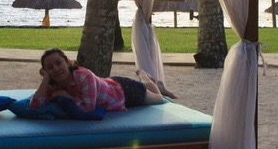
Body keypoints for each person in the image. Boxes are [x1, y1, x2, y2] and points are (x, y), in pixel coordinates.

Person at [29, 47, 177, 113]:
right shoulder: (53, 82)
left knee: (159, 98)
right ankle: (145, 81)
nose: (55, 69)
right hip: (108, 84)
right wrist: (46, 79)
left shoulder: (83, 76)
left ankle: (149, 79)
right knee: (150, 92)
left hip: (124, 92)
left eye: (58, 63)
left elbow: (89, 108)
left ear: (67, 62)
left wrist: (66, 96)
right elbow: (35, 105)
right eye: (49, 67)